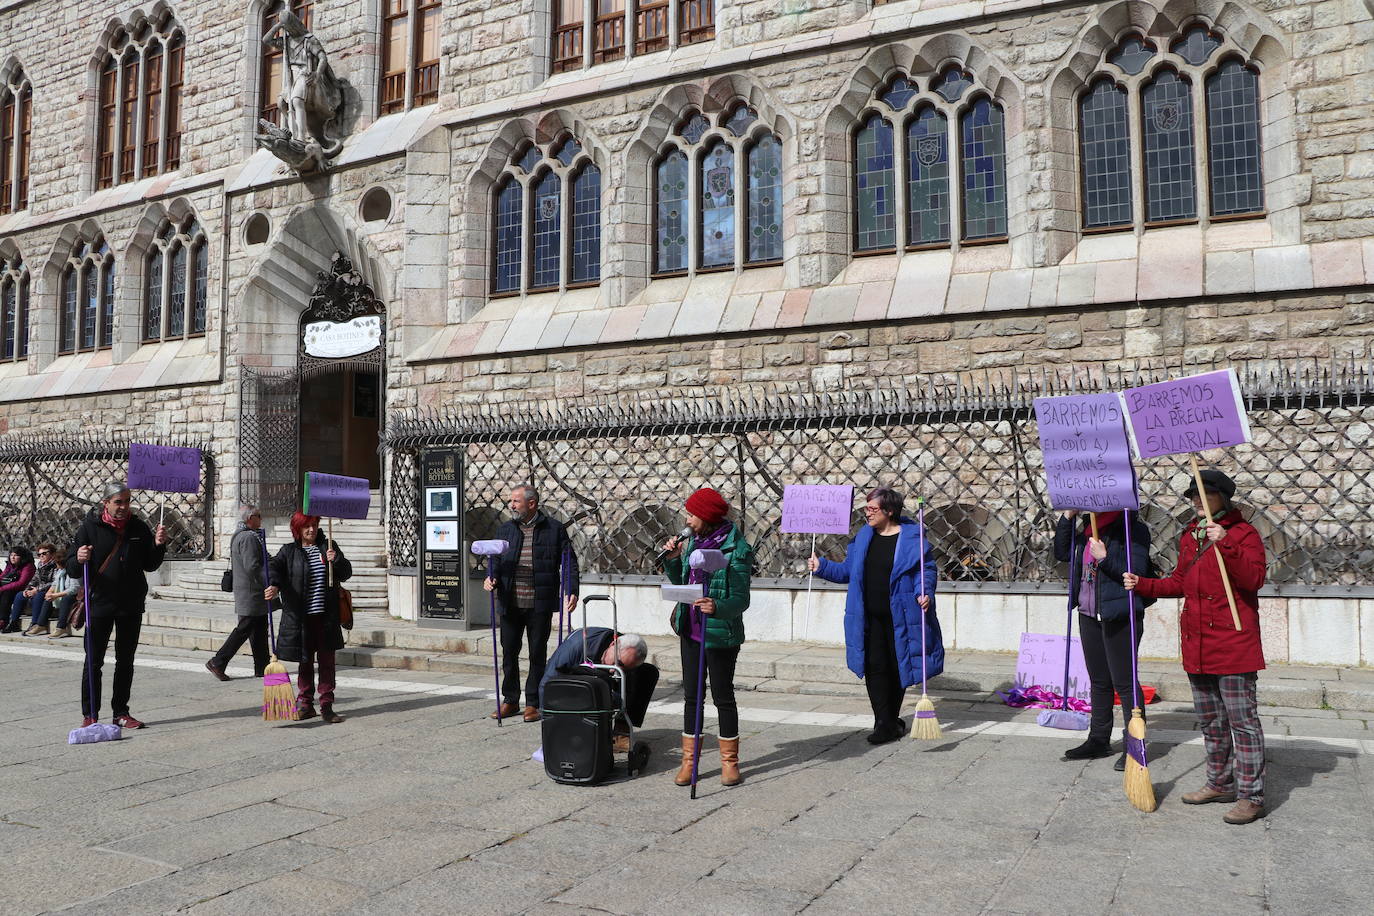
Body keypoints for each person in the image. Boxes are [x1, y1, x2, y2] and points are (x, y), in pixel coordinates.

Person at [1124, 469, 1269, 825]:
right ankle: (1219, 782)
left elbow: (1254, 579)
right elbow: (1180, 582)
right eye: (1191, 495)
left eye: (1203, 494)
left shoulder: (1243, 534)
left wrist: (1227, 543)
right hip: (1198, 645)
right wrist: (1142, 584)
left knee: (1243, 723)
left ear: (1223, 498)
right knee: (1211, 722)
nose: (1195, 500)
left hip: (1233, 644)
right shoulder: (1190, 535)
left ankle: (1251, 795)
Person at [809, 487, 942, 744]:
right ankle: (883, 722)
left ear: (889, 511)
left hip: (901, 616)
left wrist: (924, 593)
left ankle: (890, 720)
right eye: (866, 508)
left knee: (897, 666)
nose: (867, 513)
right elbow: (848, 572)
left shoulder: (913, 539)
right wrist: (822, 567)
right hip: (868, 616)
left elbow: (924, 572)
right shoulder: (863, 538)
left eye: (872, 509)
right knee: (874, 667)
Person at [661, 487, 753, 787]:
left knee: (723, 696)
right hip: (690, 628)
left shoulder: (736, 549)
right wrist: (674, 559)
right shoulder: (691, 543)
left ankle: (730, 763)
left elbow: (741, 599)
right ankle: (689, 763)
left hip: (720, 633)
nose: (687, 518)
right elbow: (681, 582)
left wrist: (718, 606)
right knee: (692, 696)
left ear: (707, 516)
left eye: (691, 513)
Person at [1053, 509, 1153, 770]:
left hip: (1119, 614)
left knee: (1125, 682)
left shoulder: (1132, 530)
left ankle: (1135, 744)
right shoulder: (1086, 529)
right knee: (1099, 681)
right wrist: (1067, 517)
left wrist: (1104, 559)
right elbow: (1062, 553)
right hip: (1088, 613)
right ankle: (1098, 739)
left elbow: (1136, 573)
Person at [66, 483, 169, 729]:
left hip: (130, 604)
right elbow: (71, 566)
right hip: (99, 603)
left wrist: (159, 544)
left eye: (126, 501)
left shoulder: (139, 527)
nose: (123, 507)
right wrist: (79, 558)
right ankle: (90, 714)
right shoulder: (89, 528)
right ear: (106, 503)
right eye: (118, 502)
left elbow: (150, 564)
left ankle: (121, 712)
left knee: (126, 660)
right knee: (94, 661)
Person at [483, 484, 579, 723]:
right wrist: (490, 576)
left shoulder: (555, 529)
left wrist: (572, 590)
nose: (511, 505)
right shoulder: (505, 529)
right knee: (509, 652)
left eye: (516, 501)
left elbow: (569, 562)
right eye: (511, 501)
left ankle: (534, 702)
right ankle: (511, 699)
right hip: (510, 601)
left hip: (540, 602)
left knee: (537, 653)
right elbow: (493, 558)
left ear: (532, 503)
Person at [269, 511, 352, 723]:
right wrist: (273, 585)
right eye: (307, 526)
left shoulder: (328, 546)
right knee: (304, 661)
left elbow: (346, 573)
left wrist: (338, 560)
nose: (311, 529)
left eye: (314, 525)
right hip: (302, 618)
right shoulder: (288, 552)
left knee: (326, 662)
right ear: (297, 529)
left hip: (326, 617)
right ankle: (305, 704)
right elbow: (274, 568)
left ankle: (326, 705)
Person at [539, 628, 658, 751]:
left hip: (601, 674)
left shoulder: (626, 650)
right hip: (577, 675)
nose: (613, 670)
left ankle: (620, 732)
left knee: (648, 673)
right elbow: (547, 683)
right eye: (618, 663)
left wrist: (617, 701)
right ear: (613, 644)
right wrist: (549, 725)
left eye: (623, 667)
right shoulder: (576, 646)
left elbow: (626, 681)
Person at [206, 505, 274, 680]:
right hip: (251, 592)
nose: (261, 519)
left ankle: (262, 667)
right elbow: (252, 566)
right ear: (250, 518)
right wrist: (268, 581)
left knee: (259, 628)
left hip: (252, 592)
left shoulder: (247, 535)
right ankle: (218, 661)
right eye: (259, 516)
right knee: (245, 628)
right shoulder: (248, 537)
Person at [17, 544, 62, 636]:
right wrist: (27, 590)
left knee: (39, 596)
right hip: (38, 590)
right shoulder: (40, 565)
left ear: (52, 554)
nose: (41, 556)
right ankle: (13, 622)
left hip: (50, 590)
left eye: (44, 553)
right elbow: (34, 579)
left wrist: (37, 590)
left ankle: (34, 624)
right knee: (19, 595)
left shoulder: (56, 565)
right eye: (39, 554)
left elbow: (53, 582)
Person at [43, 552, 82, 639]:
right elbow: (55, 583)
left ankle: (61, 627)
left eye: (57, 564)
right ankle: (40, 625)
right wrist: (49, 592)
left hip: (76, 595)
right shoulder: (60, 571)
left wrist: (56, 595)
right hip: (63, 592)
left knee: (66, 599)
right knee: (48, 598)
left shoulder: (73, 570)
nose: (56, 566)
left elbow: (74, 589)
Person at [2, 545, 37, 633]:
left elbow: (21, 583)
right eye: (11, 555)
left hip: (21, 590)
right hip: (8, 588)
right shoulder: (10, 565)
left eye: (16, 555)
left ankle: (3, 620)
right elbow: (2, 577)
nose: (12, 557)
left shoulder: (28, 566)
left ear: (22, 557)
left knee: (6, 593)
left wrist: (2, 588)